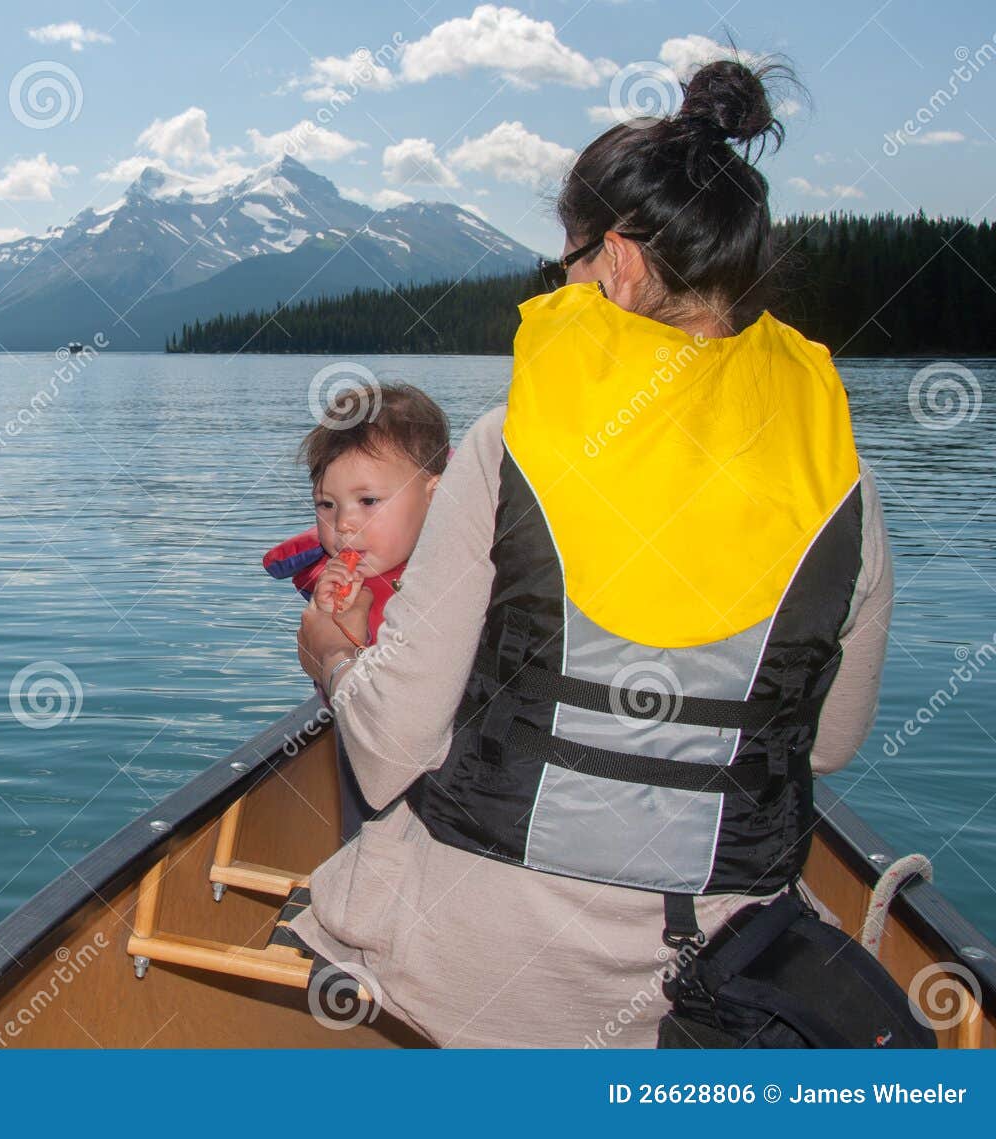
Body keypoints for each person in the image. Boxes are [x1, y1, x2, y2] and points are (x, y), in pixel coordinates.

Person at [290, 57, 893, 1047]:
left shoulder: (504, 445)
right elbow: (823, 745)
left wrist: (331, 654)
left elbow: (392, 742)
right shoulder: (847, 489)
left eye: (564, 259)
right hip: (722, 961)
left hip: (492, 959)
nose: (561, 279)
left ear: (613, 262)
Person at [263, 382, 450, 839]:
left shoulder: (461, 580)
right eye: (326, 505)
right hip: (368, 780)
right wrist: (340, 633)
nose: (343, 523)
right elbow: (331, 689)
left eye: (368, 501)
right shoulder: (346, 584)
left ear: (435, 494)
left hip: (442, 798)